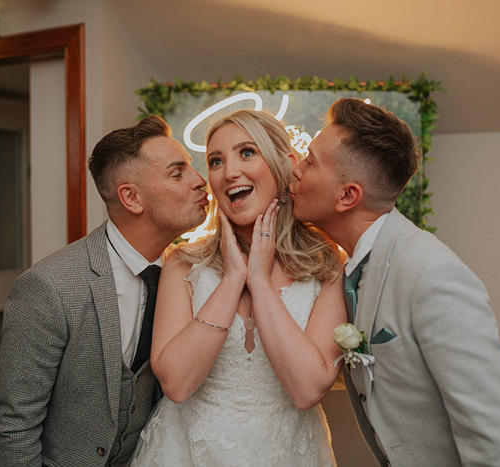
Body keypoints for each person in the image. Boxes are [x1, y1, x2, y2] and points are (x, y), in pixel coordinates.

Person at [290, 98, 500, 466]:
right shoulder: (352, 265)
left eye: (310, 161)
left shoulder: (432, 274)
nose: (295, 169)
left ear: (347, 196)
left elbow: (496, 439)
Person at [0, 116, 209, 467]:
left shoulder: (192, 275)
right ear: (132, 198)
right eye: (178, 172)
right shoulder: (49, 286)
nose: (200, 181)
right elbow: (15, 424)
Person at [130, 109, 345, 466]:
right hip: (188, 451)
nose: (229, 172)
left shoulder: (327, 265)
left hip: (287, 451)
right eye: (216, 161)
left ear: (284, 164)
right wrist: (232, 279)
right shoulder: (183, 263)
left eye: (247, 152)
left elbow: (307, 390)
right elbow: (177, 385)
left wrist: (258, 281)